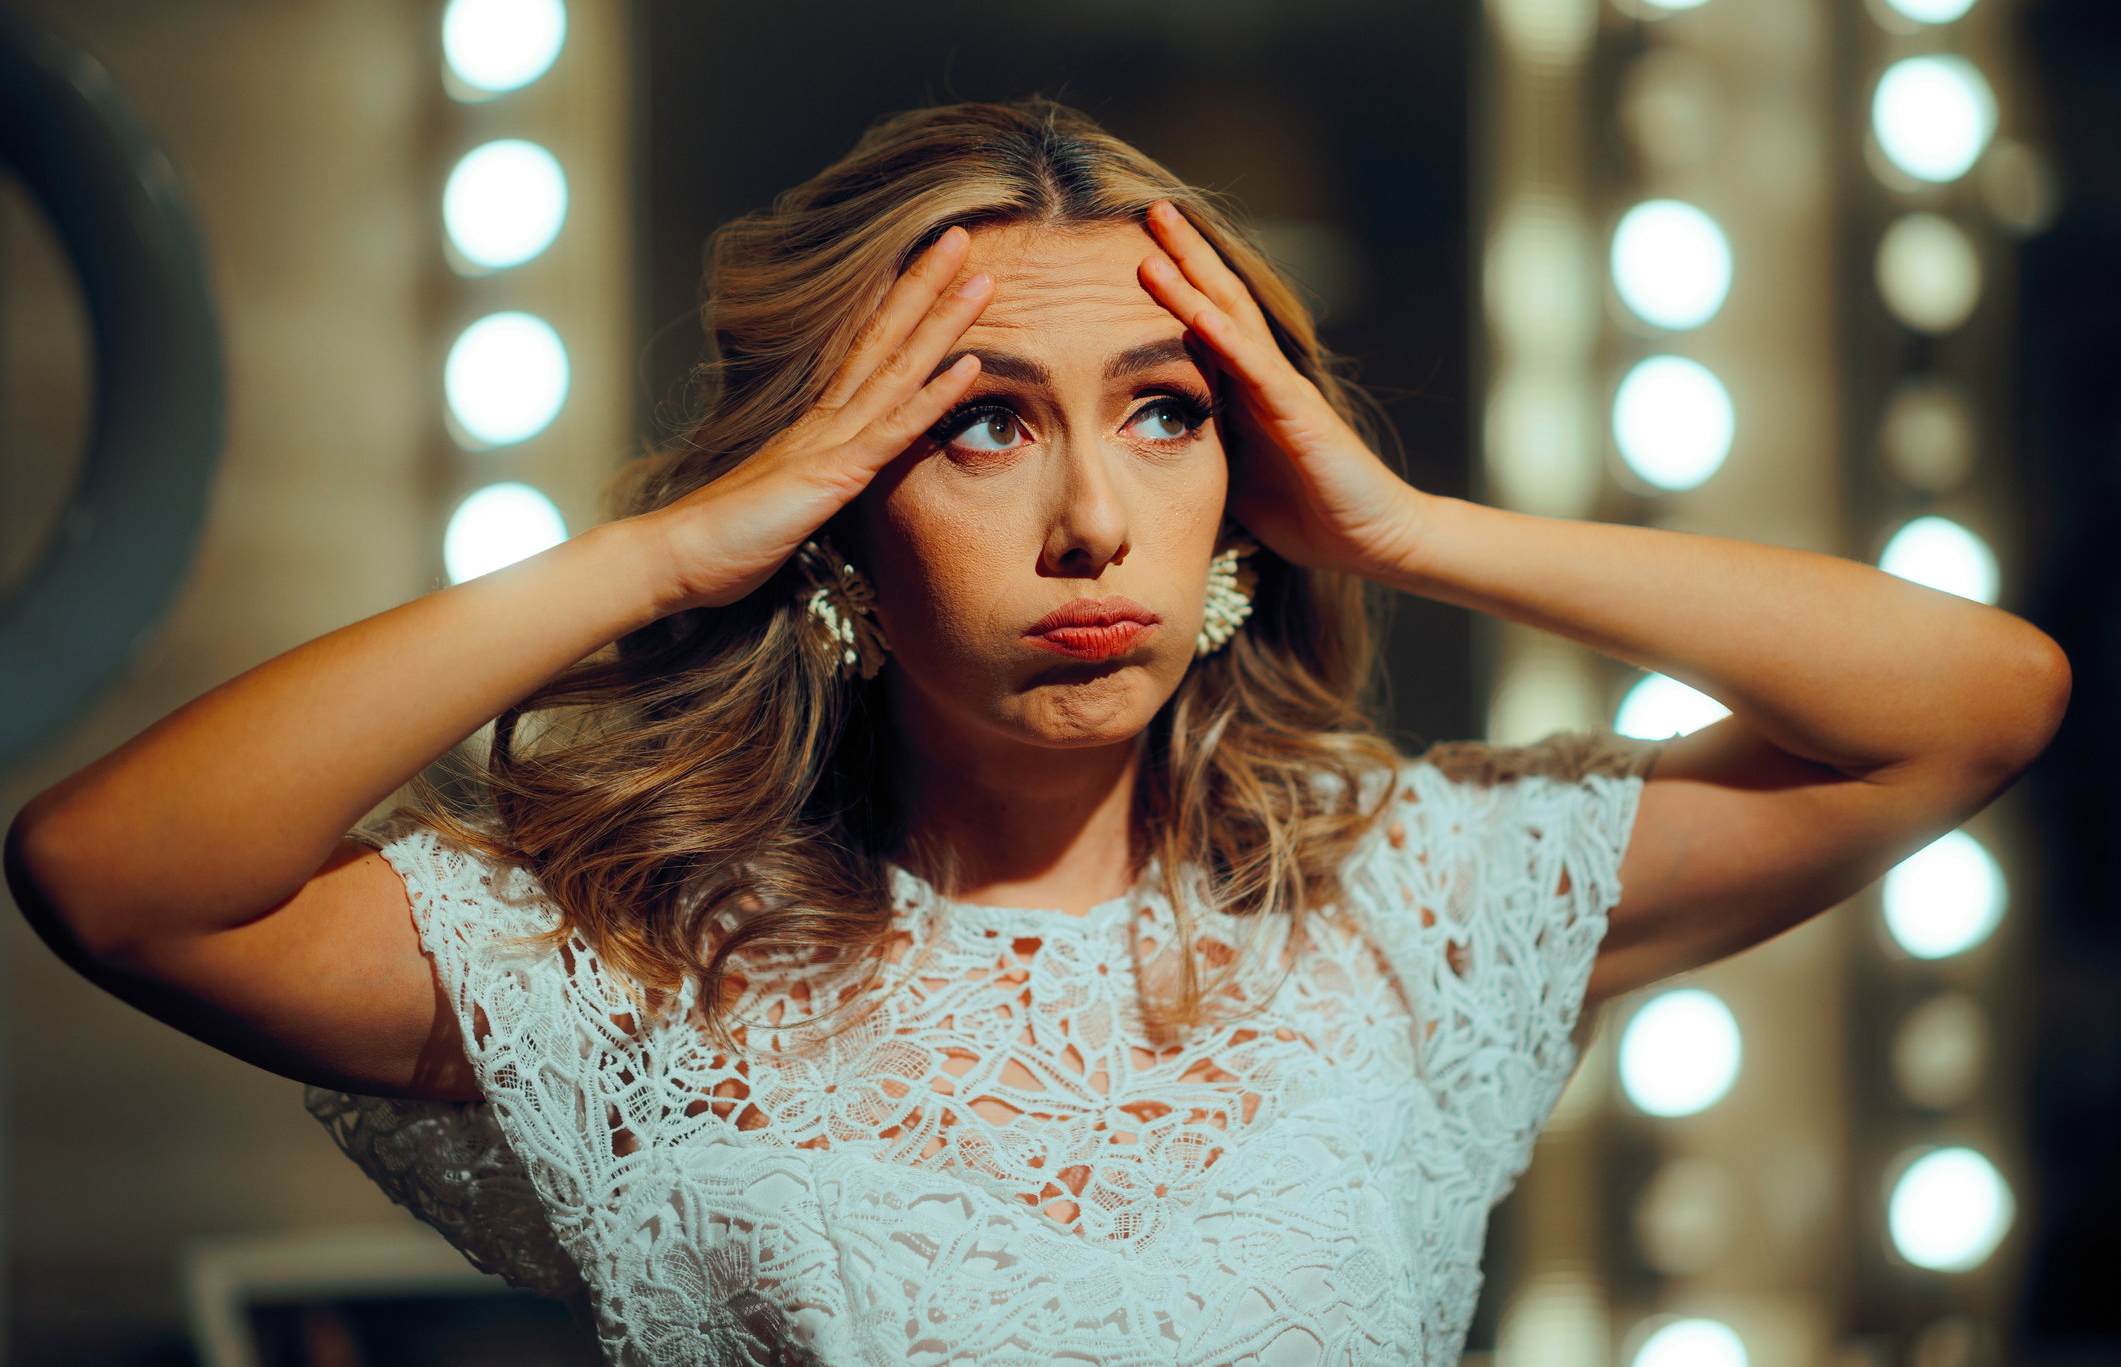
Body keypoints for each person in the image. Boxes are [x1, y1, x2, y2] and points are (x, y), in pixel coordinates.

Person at [6, 97, 2069, 1366]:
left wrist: (1407, 525)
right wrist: (664, 553)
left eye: (1165, 413)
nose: (1093, 517)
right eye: (980, 422)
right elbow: (111, 874)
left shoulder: (1412, 893)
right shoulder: (633, 963)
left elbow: (1976, 702)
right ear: (838, 502)